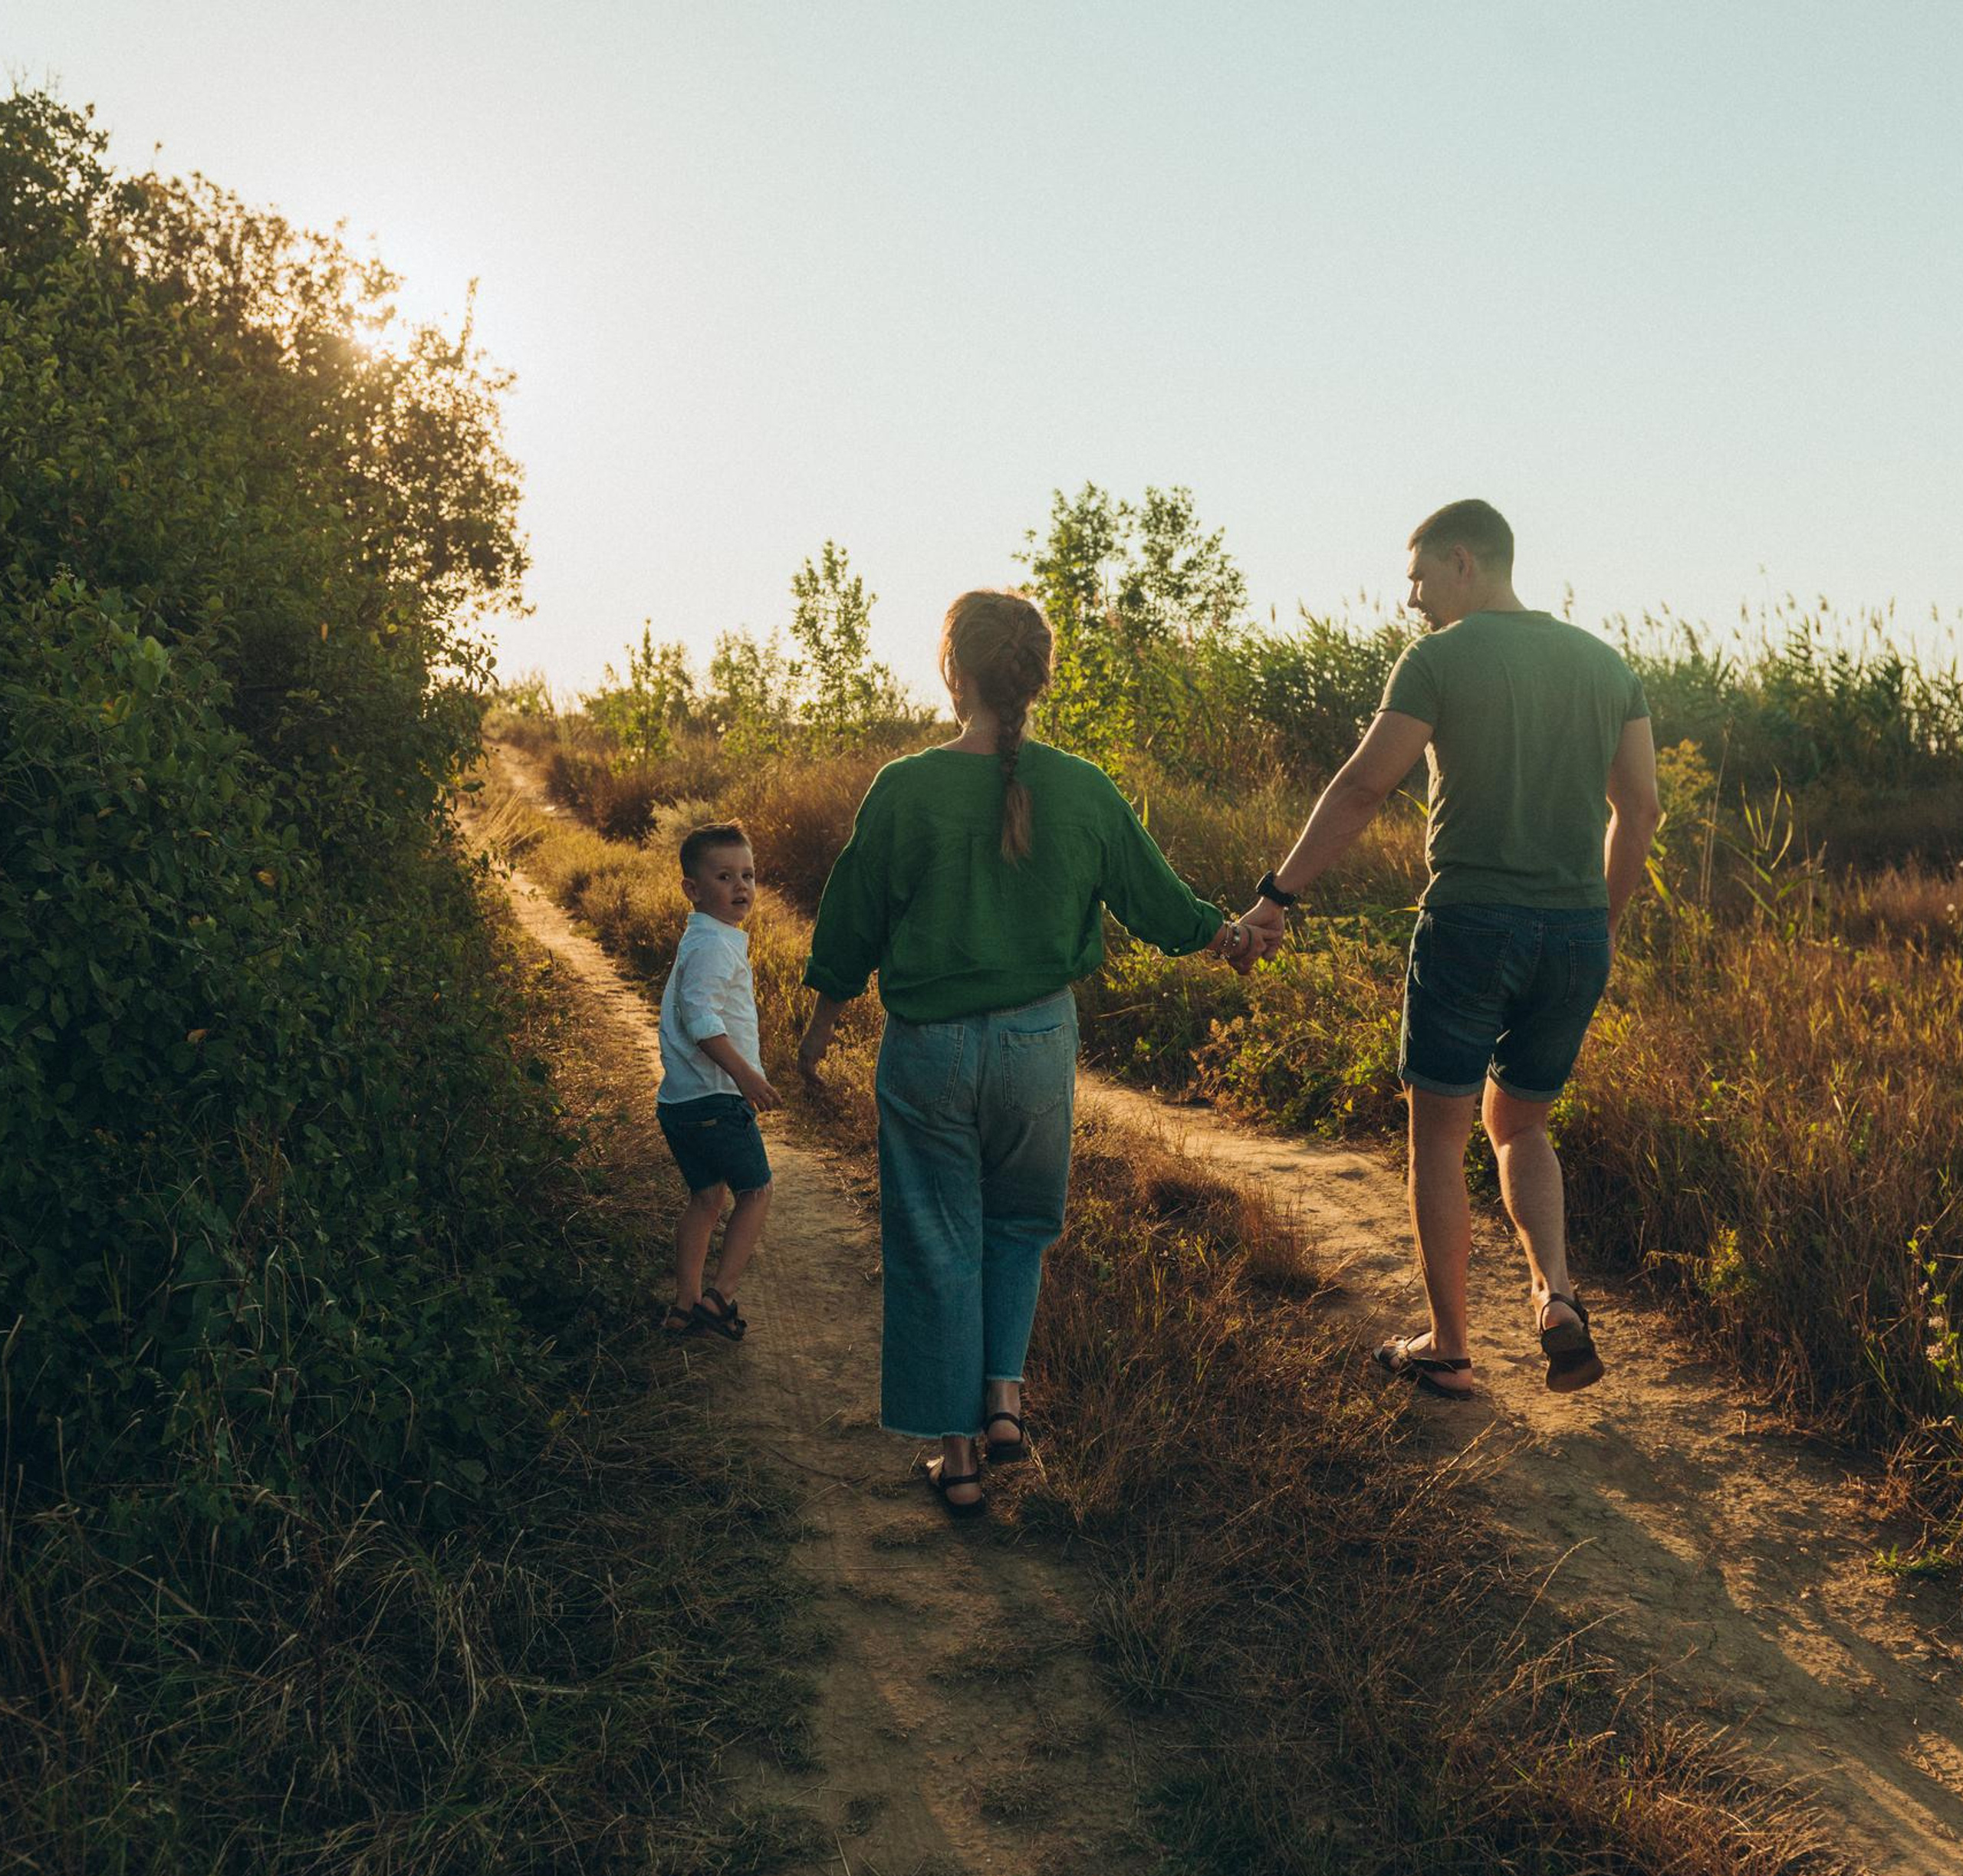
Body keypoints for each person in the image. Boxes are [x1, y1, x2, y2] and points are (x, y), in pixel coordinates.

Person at [797, 589, 1263, 1517]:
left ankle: (959, 1456)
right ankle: (1003, 1394)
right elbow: (1161, 906)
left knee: (938, 1241)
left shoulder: (905, 786)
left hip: (927, 1049)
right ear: (1039, 678)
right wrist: (1231, 935)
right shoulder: (1084, 788)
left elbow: (851, 923)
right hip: (1038, 1044)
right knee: (1019, 1226)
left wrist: (815, 1038)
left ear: (953, 672)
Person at [1231, 500, 1662, 1400]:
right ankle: (1554, 1292)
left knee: (1440, 1132)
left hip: (1472, 921)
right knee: (1523, 1124)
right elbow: (1642, 811)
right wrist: (1602, 919)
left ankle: (1450, 1346)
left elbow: (1361, 785)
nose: (1413, 600)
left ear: (1465, 562)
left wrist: (1277, 896)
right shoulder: (1604, 662)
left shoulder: (1438, 659)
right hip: (1575, 930)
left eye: (1420, 578)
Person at [655, 821, 781, 1341]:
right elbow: (701, 1020)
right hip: (715, 1099)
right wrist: (746, 1076)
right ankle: (719, 1297)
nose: (741, 887)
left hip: (682, 1102)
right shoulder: (712, 946)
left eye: (748, 875)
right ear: (692, 888)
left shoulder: (708, 938)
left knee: (707, 1200)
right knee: (756, 1191)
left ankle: (685, 1304)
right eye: (725, 876)